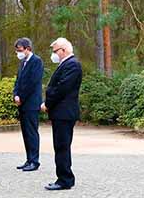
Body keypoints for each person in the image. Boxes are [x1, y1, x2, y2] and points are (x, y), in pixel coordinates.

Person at [41, 38, 82, 191]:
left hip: (64, 113)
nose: (54, 54)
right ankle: (64, 177)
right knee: (60, 146)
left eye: (55, 51)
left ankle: (65, 179)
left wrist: (48, 103)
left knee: (62, 146)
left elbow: (61, 89)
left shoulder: (72, 65)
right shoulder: (66, 64)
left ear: (63, 50)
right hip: (61, 112)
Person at [13, 38, 44, 172]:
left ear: (28, 49)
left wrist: (22, 97)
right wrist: (15, 94)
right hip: (22, 103)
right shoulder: (22, 63)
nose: (18, 53)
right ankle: (28, 159)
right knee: (25, 132)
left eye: (20, 50)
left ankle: (34, 161)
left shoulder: (37, 62)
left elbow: (32, 83)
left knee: (32, 132)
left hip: (31, 103)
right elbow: (18, 81)